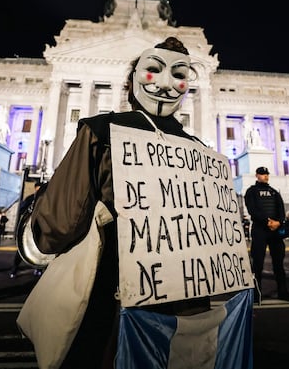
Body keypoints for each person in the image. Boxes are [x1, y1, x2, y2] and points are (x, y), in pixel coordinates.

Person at [21, 37, 240, 368]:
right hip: (178, 307)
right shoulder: (203, 154)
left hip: (112, 297)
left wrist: (31, 233)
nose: (166, 82)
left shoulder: (101, 132)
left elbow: (61, 221)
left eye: (177, 74)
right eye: (154, 70)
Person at [244, 166, 289, 302]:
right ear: (257, 175)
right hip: (260, 230)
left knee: (278, 264)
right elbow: (252, 210)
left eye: (267, 174)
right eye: (262, 174)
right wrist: (268, 221)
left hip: (275, 232)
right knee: (257, 264)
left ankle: (283, 292)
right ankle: (256, 294)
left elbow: (280, 209)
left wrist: (278, 222)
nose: (265, 176)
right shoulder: (251, 191)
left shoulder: (274, 192)